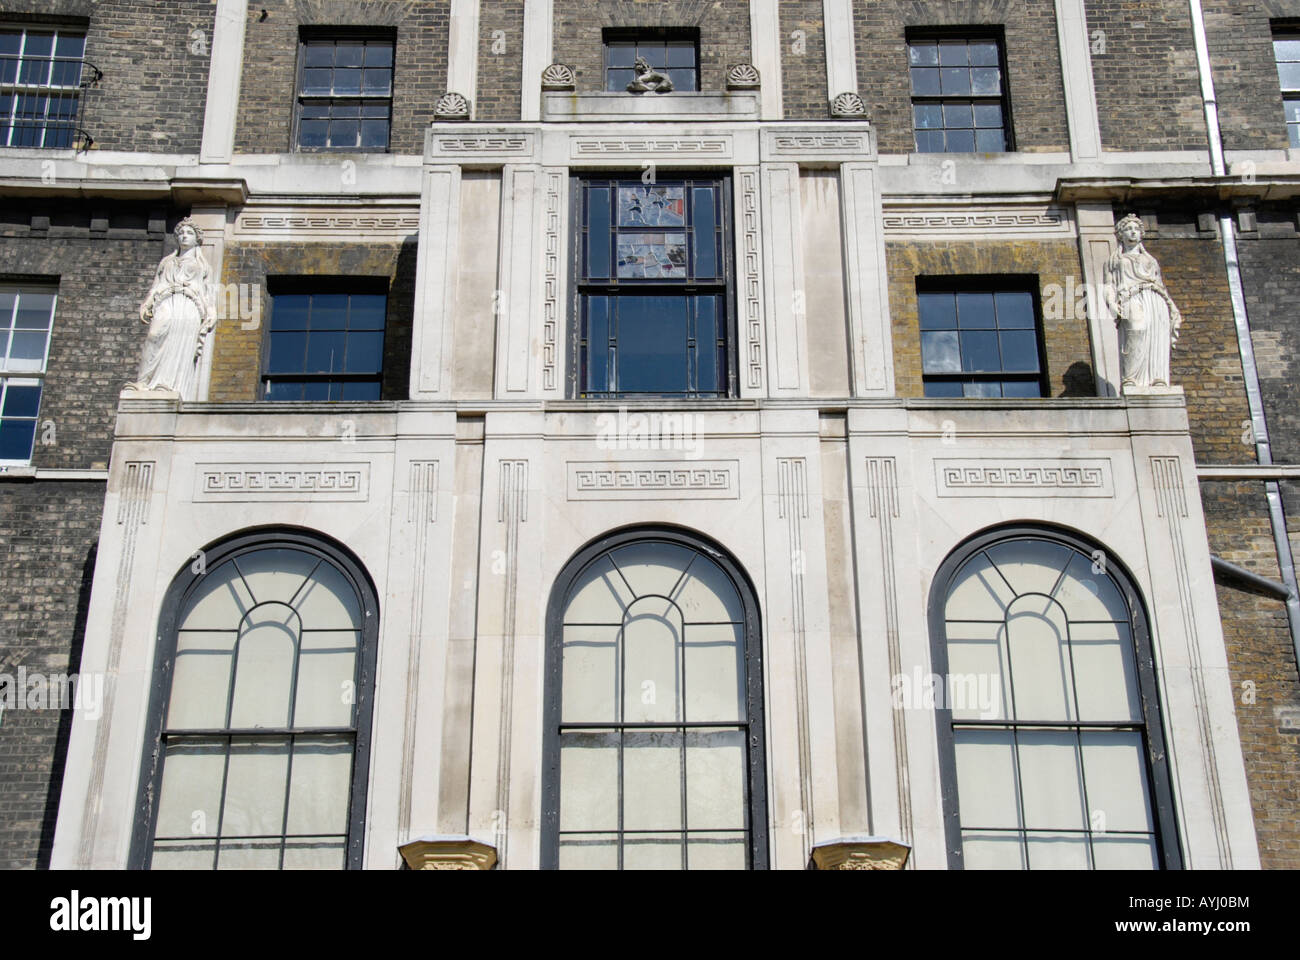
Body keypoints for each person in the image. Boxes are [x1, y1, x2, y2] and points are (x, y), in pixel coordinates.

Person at [129, 218, 215, 399]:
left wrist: (211, 313)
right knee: (154, 336)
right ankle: (144, 382)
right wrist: (147, 303)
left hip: (190, 305)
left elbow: (208, 293)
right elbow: (156, 285)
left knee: (179, 343)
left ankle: (167, 384)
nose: (185, 236)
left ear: (197, 238)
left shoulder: (203, 265)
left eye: (189, 233)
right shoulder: (167, 261)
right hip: (166, 300)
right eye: (181, 233)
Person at [1104, 213, 1182, 389]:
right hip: (1130, 297)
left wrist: (1172, 307)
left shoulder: (1150, 260)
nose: (1133, 232)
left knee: (1156, 335)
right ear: (1120, 234)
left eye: (1136, 229)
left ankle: (1158, 378)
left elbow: (1161, 285)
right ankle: (1130, 378)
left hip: (1155, 298)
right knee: (1136, 331)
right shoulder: (1114, 260)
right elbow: (1108, 286)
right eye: (1128, 229)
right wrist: (1111, 303)